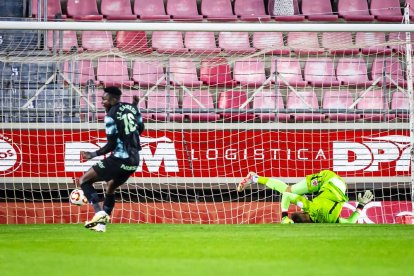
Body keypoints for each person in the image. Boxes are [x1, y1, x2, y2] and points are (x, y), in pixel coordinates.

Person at [79, 86, 144, 232]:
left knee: (84, 180)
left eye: (104, 99)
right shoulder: (132, 108)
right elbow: (141, 128)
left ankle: (99, 213)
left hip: (120, 159)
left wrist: (92, 155)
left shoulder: (110, 117)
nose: (102, 102)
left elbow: (111, 144)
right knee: (110, 188)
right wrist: (135, 106)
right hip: (134, 161)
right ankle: (101, 226)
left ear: (113, 99)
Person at [237, 170, 374, 223]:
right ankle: (254, 178)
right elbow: (286, 195)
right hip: (327, 179)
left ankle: (254, 178)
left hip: (339, 185)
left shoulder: (330, 222)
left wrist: (361, 205)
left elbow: (350, 222)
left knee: (289, 189)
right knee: (288, 190)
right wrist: (284, 217)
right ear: (303, 212)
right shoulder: (311, 208)